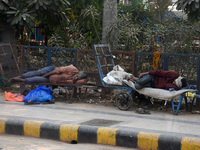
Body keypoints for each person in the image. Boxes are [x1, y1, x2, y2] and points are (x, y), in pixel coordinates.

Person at [9, 65, 87, 84]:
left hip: (50, 79)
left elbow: (84, 81)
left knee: (36, 79)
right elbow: (58, 70)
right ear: (78, 73)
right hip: (51, 70)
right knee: (38, 73)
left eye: (78, 78)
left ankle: (20, 80)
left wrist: (76, 79)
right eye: (77, 76)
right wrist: (45, 75)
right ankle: (21, 76)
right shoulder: (73, 69)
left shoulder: (73, 80)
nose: (76, 78)